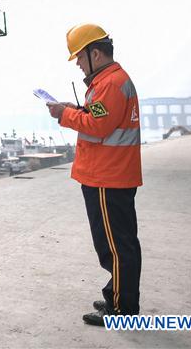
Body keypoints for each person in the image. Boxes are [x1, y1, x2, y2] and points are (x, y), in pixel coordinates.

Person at [46, 24, 143, 326]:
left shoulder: (111, 84)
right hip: (110, 175)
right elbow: (99, 117)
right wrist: (75, 109)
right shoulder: (109, 81)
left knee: (114, 245)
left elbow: (99, 126)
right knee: (117, 242)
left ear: (96, 53)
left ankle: (121, 309)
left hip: (108, 177)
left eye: (79, 56)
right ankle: (117, 295)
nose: (77, 63)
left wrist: (63, 114)